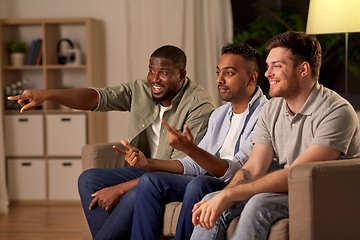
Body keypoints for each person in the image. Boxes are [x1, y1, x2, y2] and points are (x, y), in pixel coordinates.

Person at [8, 45, 216, 240]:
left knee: (138, 191)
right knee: (88, 179)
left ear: (181, 75)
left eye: (163, 72)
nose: (154, 78)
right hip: (144, 170)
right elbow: (97, 98)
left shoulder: (199, 105)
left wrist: (120, 189)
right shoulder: (141, 89)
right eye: (151, 70)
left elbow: (184, 167)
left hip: (170, 176)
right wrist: (47, 95)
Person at [189, 31, 360, 240]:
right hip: (292, 189)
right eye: (268, 66)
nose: (267, 73)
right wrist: (225, 195)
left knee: (259, 203)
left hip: (326, 195)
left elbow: (299, 175)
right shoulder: (272, 109)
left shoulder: (337, 111)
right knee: (211, 198)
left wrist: (231, 194)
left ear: (303, 69)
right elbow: (253, 168)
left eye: (277, 66)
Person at [115, 42, 268, 240]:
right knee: (150, 180)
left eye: (228, 73)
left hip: (238, 184)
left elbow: (237, 170)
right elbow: (194, 165)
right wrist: (147, 163)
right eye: (218, 72)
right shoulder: (219, 115)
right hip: (209, 180)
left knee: (199, 184)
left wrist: (191, 149)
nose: (219, 80)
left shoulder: (266, 114)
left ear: (251, 78)